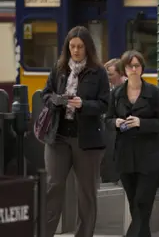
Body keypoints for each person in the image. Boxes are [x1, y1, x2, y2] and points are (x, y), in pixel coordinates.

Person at [41, 26, 110, 237]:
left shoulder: (98, 72)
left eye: (80, 47)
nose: (76, 50)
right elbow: (45, 94)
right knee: (53, 186)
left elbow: (104, 104)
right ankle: (44, 233)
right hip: (58, 136)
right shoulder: (59, 68)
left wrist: (83, 105)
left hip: (86, 139)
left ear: (88, 48)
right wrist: (56, 100)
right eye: (72, 46)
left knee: (86, 192)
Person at [105, 50, 159, 237]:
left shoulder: (154, 93)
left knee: (143, 201)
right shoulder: (117, 93)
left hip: (148, 156)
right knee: (135, 203)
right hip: (125, 155)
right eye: (129, 66)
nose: (133, 69)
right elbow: (107, 119)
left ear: (142, 68)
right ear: (124, 70)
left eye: (137, 66)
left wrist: (142, 123)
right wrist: (115, 123)